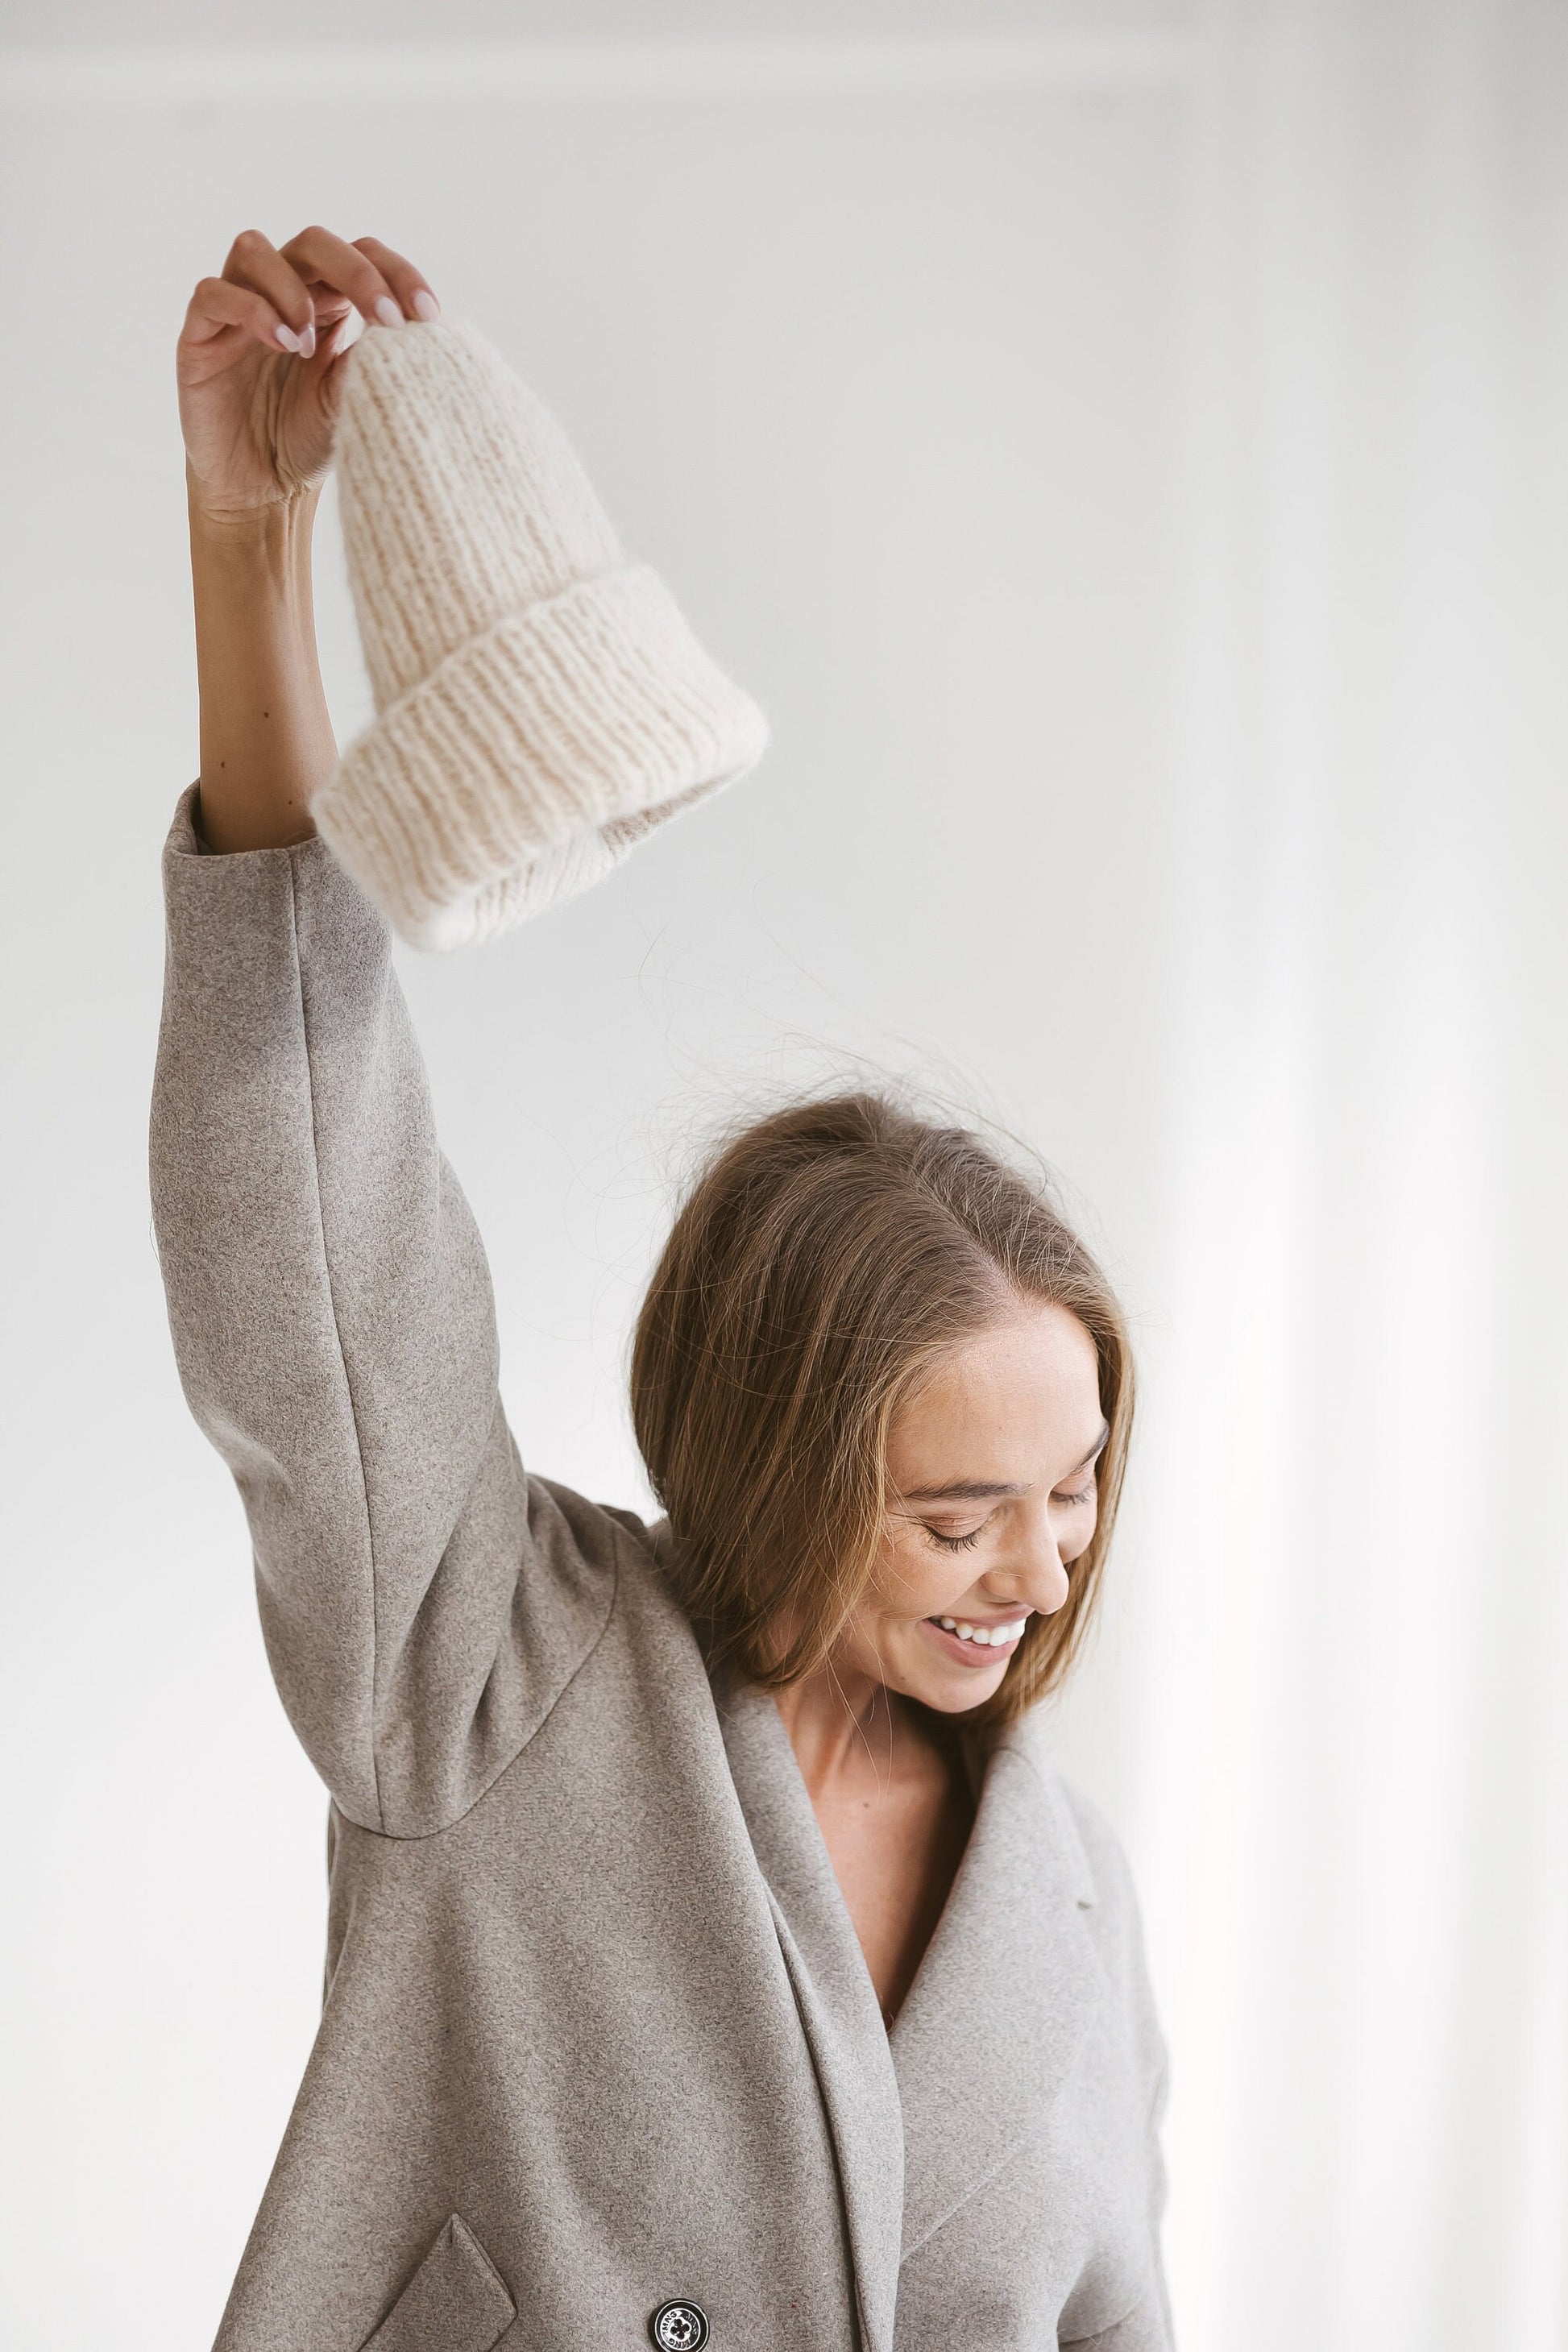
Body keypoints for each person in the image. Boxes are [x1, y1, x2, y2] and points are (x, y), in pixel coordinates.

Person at [156, 223, 1173, 2352]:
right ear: (782, 1452)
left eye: (1070, 1487)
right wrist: (251, 536)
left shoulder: (1065, 1899)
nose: (1036, 1568)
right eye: (952, 1510)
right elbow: (311, 1234)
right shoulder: (490, 1675)